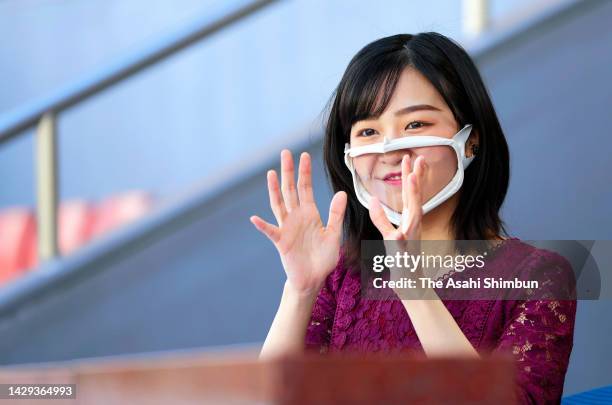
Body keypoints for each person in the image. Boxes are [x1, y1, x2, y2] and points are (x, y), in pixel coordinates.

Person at [250, 32, 576, 404]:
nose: (390, 150)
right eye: (369, 131)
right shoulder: (341, 275)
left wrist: (413, 284)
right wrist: (300, 291)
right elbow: (272, 398)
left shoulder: (539, 277)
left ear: (471, 140)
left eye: (415, 125)